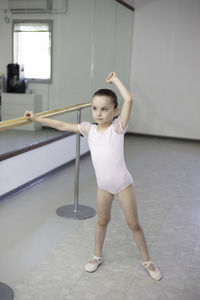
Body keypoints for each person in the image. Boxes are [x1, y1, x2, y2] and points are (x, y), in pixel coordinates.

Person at [24, 72, 162, 280]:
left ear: (115, 111)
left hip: (124, 185)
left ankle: (147, 260)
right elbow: (62, 125)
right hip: (104, 187)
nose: (98, 113)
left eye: (105, 109)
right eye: (95, 108)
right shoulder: (88, 129)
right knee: (102, 221)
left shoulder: (118, 128)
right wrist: (36, 118)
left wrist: (115, 80)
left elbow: (129, 99)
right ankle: (97, 256)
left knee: (133, 223)